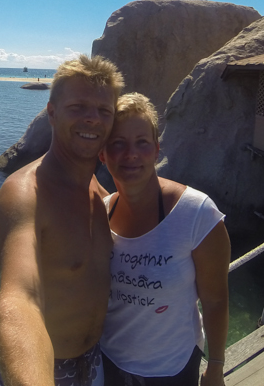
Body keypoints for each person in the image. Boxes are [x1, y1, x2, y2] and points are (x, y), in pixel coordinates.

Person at [0, 55, 125, 386]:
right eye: (78, 107)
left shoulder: (101, 194)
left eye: (104, 111)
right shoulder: (25, 194)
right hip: (39, 366)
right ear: (51, 113)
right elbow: (20, 300)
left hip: (91, 358)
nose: (93, 118)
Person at [99, 93, 231, 386]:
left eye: (142, 142)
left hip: (172, 369)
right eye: (118, 143)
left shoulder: (196, 213)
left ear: (157, 150)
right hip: (108, 364)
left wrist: (216, 367)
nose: (131, 153)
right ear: (102, 154)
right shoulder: (102, 214)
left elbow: (215, 300)